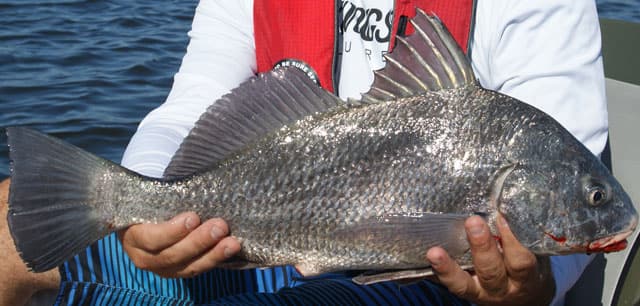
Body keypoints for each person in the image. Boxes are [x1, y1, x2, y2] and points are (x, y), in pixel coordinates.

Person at [0, 0, 607, 305]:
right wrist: (147, 212)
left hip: (429, 279)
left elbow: (575, 202)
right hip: (261, 234)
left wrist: (533, 286)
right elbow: (188, 111)